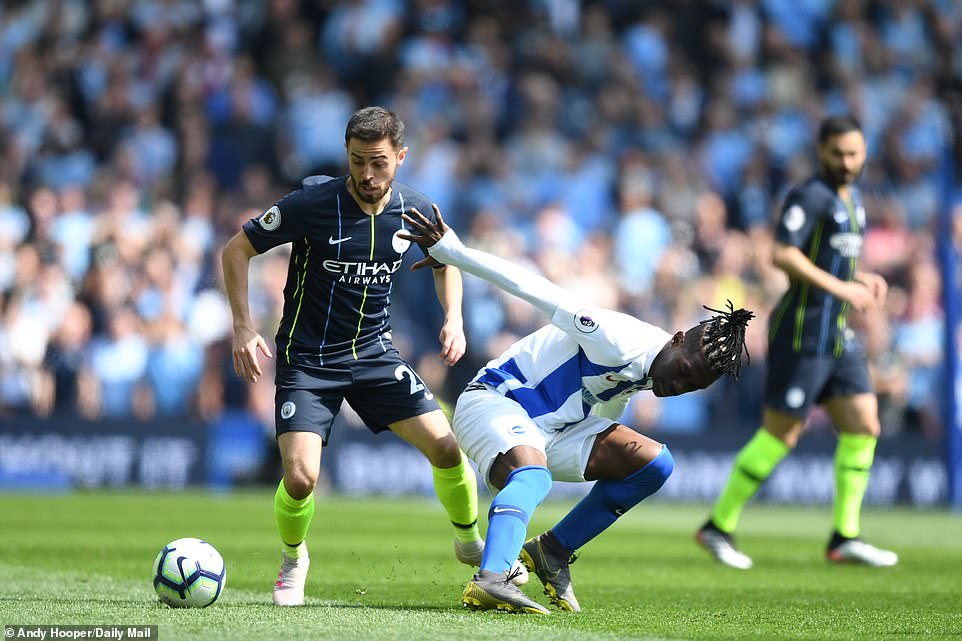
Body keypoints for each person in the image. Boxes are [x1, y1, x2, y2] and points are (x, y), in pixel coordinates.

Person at [399, 206, 754, 614]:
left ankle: (553, 550)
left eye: (693, 387)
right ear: (676, 340)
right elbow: (534, 288)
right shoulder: (618, 338)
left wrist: (595, 447)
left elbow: (611, 402)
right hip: (494, 402)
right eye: (685, 372)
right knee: (533, 474)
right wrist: (455, 253)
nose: (679, 386)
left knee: (655, 465)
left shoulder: (653, 370)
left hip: (551, 431)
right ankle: (491, 579)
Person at [221, 106, 485, 606]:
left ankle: (470, 542)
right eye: (358, 160)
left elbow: (447, 261)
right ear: (346, 153)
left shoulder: (416, 209)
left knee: (447, 448)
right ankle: (293, 559)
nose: (367, 174)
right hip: (308, 360)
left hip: (374, 354)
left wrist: (454, 317)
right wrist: (242, 327)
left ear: (401, 158)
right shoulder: (312, 203)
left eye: (378, 162)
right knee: (302, 478)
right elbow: (237, 250)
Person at [695, 114, 898, 569]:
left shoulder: (853, 199)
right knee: (781, 434)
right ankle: (718, 525)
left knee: (864, 425)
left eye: (854, 153)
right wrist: (843, 287)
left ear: (864, 152)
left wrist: (859, 278)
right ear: (821, 151)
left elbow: (829, 259)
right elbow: (783, 253)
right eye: (838, 153)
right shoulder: (810, 195)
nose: (847, 162)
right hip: (802, 332)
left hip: (837, 335)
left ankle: (845, 536)